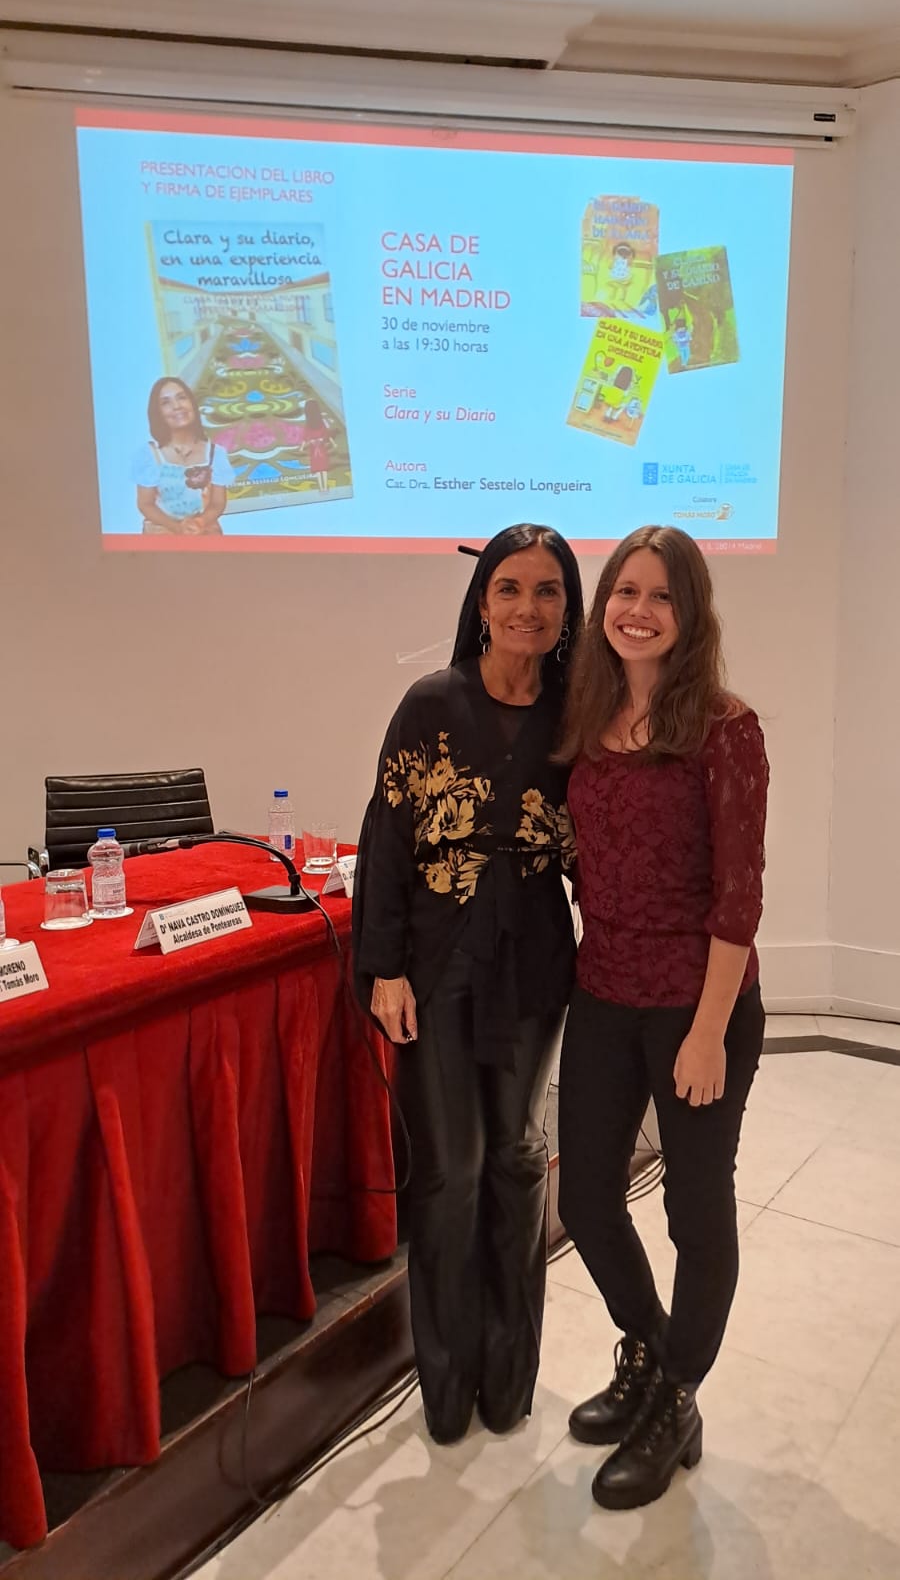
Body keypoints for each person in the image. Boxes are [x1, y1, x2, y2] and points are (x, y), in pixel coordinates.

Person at [353, 524, 584, 1445]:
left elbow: (601, 850)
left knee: (519, 1161)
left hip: (535, 959)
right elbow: (386, 838)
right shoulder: (431, 704)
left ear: (569, 608)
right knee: (451, 1171)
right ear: (482, 601)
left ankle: (509, 1375)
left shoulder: (579, 717)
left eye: (548, 590)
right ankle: (445, 1386)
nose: (528, 607)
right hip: (438, 959)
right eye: (510, 588)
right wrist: (384, 968)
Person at [556, 524, 768, 1511]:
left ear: (691, 613)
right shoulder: (586, 715)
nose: (638, 611)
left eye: (661, 596)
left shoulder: (725, 728)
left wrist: (708, 1031)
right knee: (587, 1200)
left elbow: (739, 895)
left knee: (695, 1205)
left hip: (697, 1002)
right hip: (602, 990)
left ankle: (677, 1396)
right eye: (624, 592)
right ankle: (650, 1351)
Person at [133, 377, 235, 535]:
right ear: (158, 413)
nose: (177, 406)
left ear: (192, 403)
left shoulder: (216, 453)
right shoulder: (149, 454)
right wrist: (177, 528)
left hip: (204, 533)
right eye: (166, 402)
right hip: (160, 535)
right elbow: (145, 504)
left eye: (181, 398)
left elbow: (217, 504)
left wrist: (199, 523)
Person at [300, 398, 334, 494]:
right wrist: (332, 443)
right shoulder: (321, 422)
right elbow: (326, 433)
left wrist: (302, 447)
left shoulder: (308, 423)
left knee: (318, 469)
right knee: (323, 468)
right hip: (321, 448)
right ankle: (325, 488)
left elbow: (305, 437)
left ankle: (321, 488)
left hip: (313, 448)